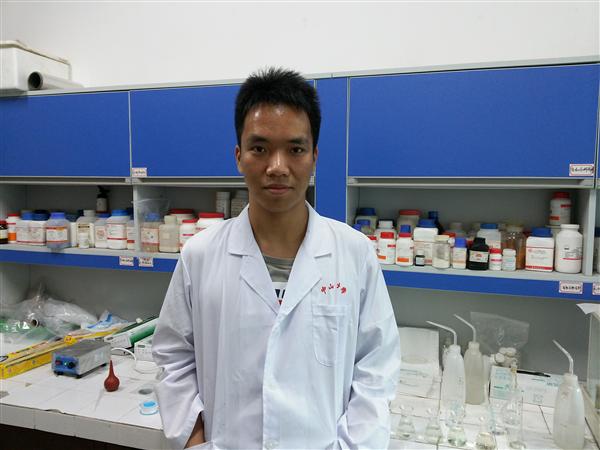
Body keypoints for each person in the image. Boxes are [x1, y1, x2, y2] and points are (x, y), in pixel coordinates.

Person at [152, 67, 401, 449]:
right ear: (239, 156)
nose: (277, 167)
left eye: (295, 149)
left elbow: (376, 370)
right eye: (260, 148)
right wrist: (195, 439)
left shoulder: (354, 254)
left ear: (314, 157)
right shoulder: (199, 256)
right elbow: (173, 357)